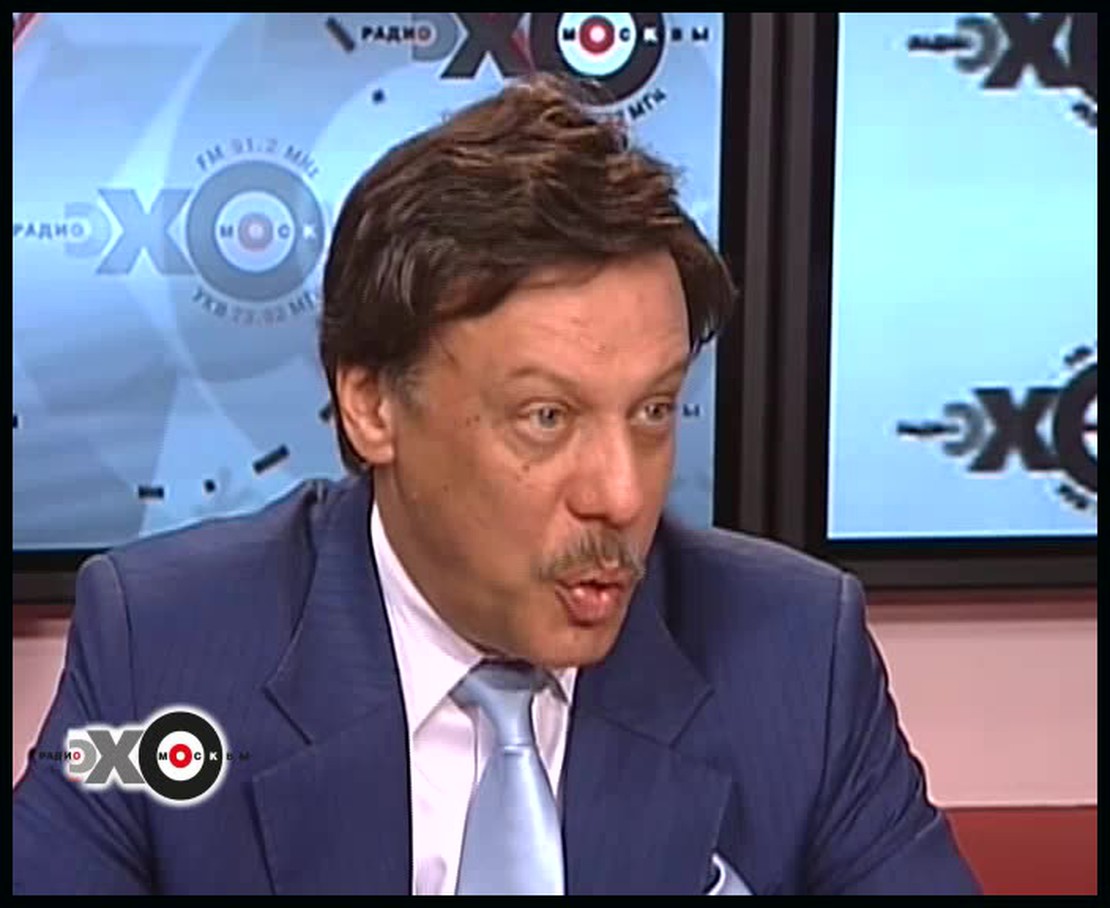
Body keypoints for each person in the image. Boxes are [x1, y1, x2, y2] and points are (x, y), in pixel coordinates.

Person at [12, 73, 980, 896]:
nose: (621, 496)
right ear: (371, 404)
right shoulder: (165, 652)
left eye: (653, 411)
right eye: (546, 417)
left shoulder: (794, 656)